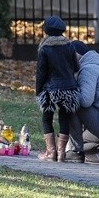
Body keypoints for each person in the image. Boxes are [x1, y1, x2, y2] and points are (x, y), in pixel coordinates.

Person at [34, 16, 80, 162]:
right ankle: (61, 153)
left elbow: (41, 73)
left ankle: (50, 152)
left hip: (50, 89)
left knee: (46, 117)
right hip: (69, 88)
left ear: (46, 30)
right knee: (64, 118)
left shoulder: (44, 48)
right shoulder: (69, 45)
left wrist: (38, 91)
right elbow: (76, 67)